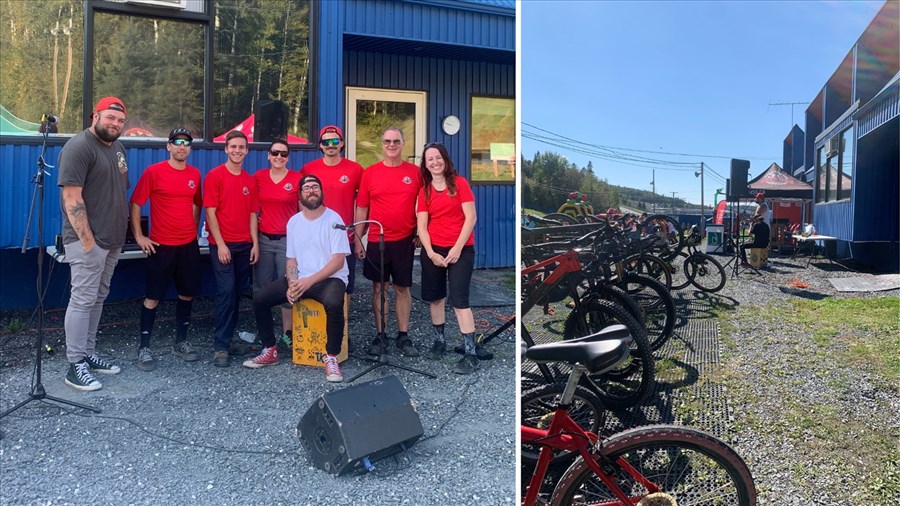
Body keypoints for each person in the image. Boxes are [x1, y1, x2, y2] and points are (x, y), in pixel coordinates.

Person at [243, 175, 350, 383]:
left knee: (335, 303)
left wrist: (307, 282)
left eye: (315, 187)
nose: (311, 190)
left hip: (329, 278)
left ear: (321, 192)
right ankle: (270, 350)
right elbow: (291, 259)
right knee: (260, 298)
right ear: (300, 195)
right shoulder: (294, 222)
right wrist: (292, 284)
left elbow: (338, 261)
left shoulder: (334, 219)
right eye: (307, 187)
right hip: (300, 279)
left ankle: (331, 357)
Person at [57, 96, 129, 391]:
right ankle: (74, 364)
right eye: (110, 118)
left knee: (98, 298)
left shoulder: (119, 148)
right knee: (83, 299)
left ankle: (87, 353)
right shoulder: (78, 147)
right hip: (89, 242)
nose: (115, 124)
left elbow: (118, 187)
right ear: (95, 116)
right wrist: (88, 242)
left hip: (111, 240)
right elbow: (72, 197)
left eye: (120, 121)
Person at [129, 127, 203, 372]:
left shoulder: (195, 174)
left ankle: (180, 342)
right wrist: (140, 236)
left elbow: (196, 203)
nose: (182, 147)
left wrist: (192, 230)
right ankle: (144, 347)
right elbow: (136, 202)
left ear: (190, 149)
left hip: (188, 246)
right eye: (177, 142)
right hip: (161, 246)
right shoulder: (154, 172)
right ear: (168, 147)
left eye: (186, 143)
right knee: (153, 297)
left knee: (187, 294)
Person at [355, 127, 422, 357]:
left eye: (396, 141)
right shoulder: (370, 173)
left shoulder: (415, 173)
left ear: (403, 144)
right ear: (381, 144)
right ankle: (381, 334)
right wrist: (358, 238)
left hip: (404, 240)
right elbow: (362, 207)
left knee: (403, 288)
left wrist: (421, 233)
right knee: (379, 287)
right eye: (387, 141)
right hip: (376, 240)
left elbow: (424, 207)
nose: (391, 145)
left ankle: (403, 335)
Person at [416, 143, 479, 374]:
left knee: (460, 302)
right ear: (425, 164)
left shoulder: (460, 183)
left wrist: (456, 249)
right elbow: (422, 226)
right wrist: (431, 253)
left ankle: (470, 352)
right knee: (435, 298)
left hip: (460, 249)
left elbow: (470, 217)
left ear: (445, 159)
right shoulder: (424, 190)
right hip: (434, 250)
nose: (434, 162)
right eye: (429, 159)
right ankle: (439, 341)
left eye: (438, 157)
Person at [203, 130, 259, 367]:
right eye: (233, 147)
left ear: (247, 150)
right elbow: (210, 212)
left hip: (245, 245)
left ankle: (229, 338)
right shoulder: (215, 176)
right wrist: (221, 244)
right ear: (226, 149)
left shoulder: (249, 180)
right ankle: (220, 346)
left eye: (241, 147)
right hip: (222, 246)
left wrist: (255, 242)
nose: (237, 150)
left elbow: (252, 213)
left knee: (237, 293)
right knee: (226, 292)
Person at [299, 125, 363, 293]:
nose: (330, 145)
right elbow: (302, 202)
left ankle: (343, 319)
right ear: (320, 145)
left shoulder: (355, 170)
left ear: (342, 143)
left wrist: (358, 238)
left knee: (345, 285)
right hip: (315, 238)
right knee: (315, 283)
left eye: (335, 141)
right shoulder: (308, 169)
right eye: (326, 141)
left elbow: (363, 204)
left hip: (344, 238)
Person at [253, 139, 301, 349]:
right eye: (275, 153)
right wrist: (254, 241)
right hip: (264, 239)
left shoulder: (297, 179)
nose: (279, 157)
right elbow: (253, 212)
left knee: (289, 285)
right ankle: (265, 335)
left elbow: (303, 213)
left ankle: (287, 333)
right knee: (261, 288)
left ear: (288, 157)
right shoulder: (259, 178)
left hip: (288, 242)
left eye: (283, 154)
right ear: (268, 155)